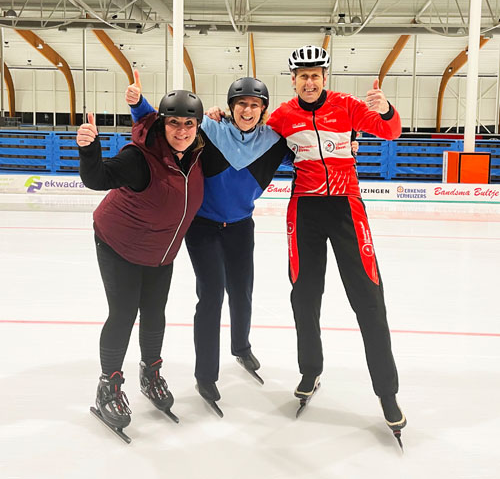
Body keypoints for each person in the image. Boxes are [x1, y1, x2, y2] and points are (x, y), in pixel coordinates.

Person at [265, 45, 407, 439]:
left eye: (315, 76)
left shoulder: (346, 106)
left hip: (346, 207)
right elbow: (251, 137)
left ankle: (387, 392)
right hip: (305, 210)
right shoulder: (282, 115)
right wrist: (220, 117)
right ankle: (310, 370)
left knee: (368, 297)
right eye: (302, 76)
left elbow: (391, 132)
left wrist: (384, 108)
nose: (309, 82)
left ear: (324, 78)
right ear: (293, 80)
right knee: (304, 296)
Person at [126, 73, 289, 415]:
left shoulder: (273, 142)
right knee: (212, 294)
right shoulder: (209, 132)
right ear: (231, 107)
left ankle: (241, 347)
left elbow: (309, 151)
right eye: (241, 103)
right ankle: (205, 374)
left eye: (255, 105)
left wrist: (346, 144)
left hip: (241, 226)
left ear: (263, 110)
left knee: (242, 291)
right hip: (203, 227)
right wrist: (138, 103)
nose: (248, 109)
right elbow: (168, 125)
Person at [77, 90, 205, 438]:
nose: (181, 130)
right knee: (124, 313)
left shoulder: (196, 154)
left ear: (198, 126)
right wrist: (89, 149)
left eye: (189, 123)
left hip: (161, 252)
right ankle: (109, 385)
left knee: (154, 312)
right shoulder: (140, 157)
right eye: (174, 123)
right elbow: (98, 179)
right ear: (162, 125)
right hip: (119, 244)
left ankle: (151, 373)